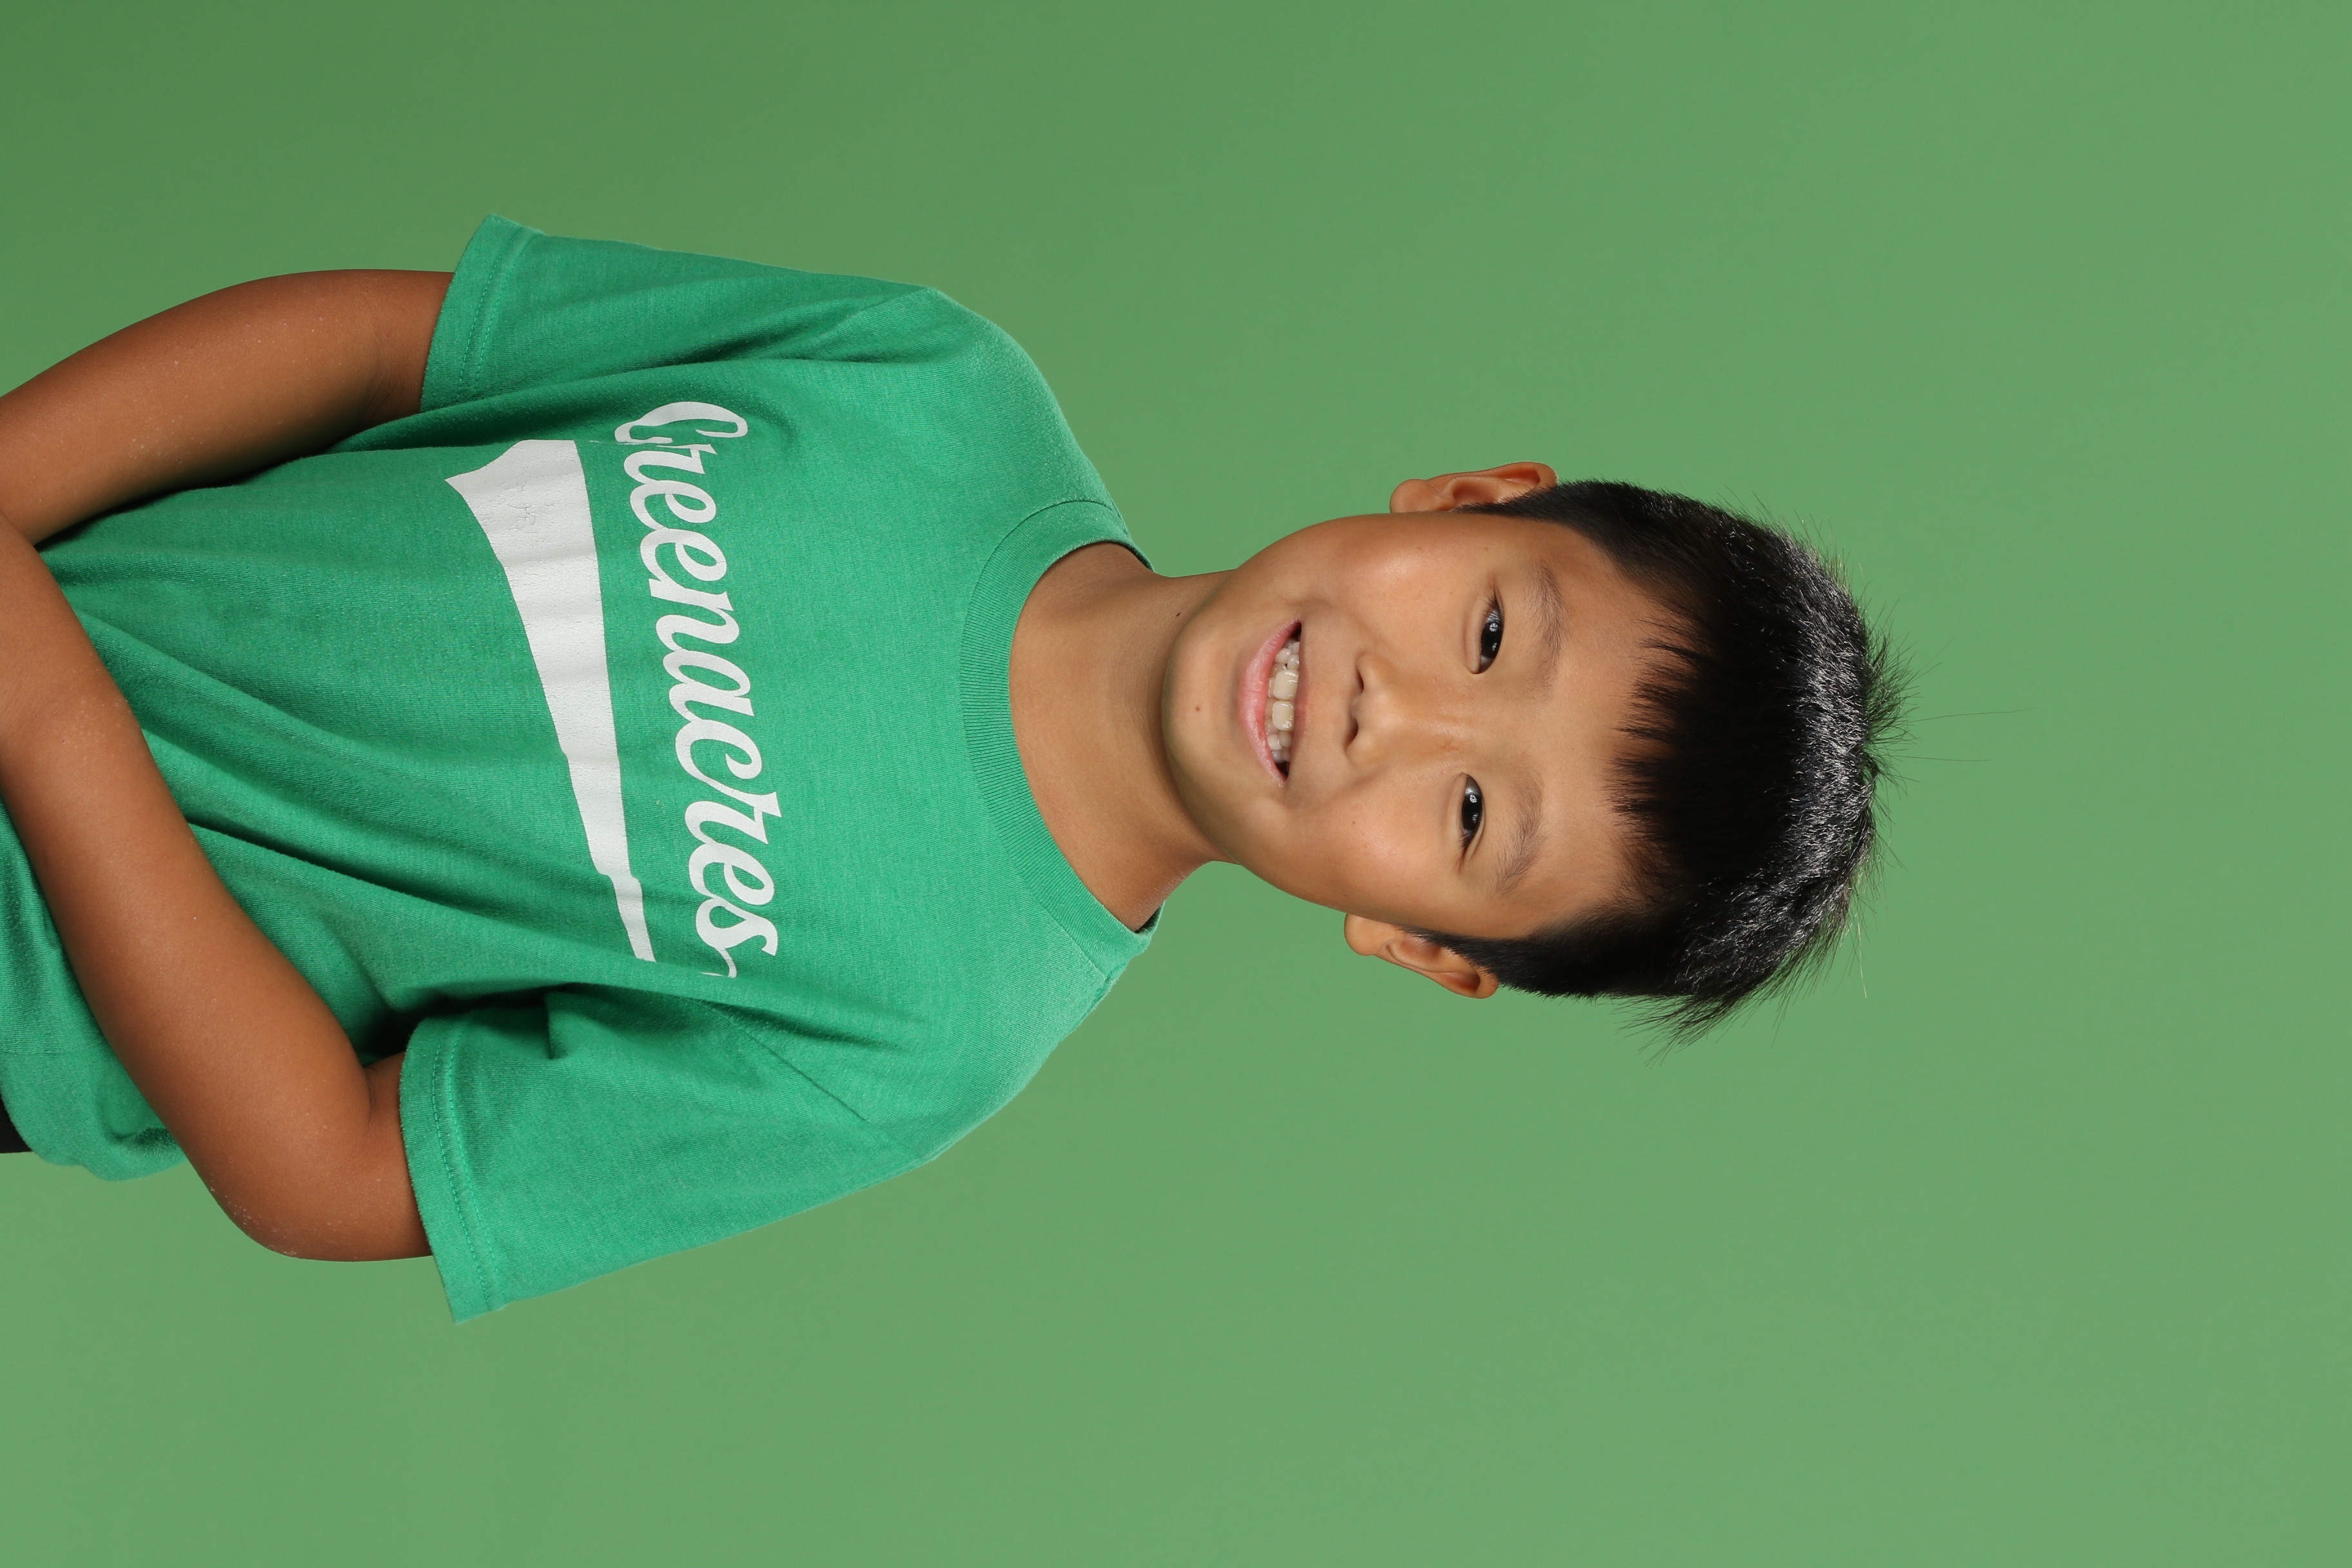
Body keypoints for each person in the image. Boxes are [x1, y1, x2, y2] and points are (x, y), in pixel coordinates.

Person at [0, 219, 1899, 1319]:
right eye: (1487, 632)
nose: (1391, 715)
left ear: (1421, 944)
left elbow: (336, 1172)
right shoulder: (932, 384)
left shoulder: (931, 1032)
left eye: (1472, 818)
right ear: (1470, 496)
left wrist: (52, 728)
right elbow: (388, 345)